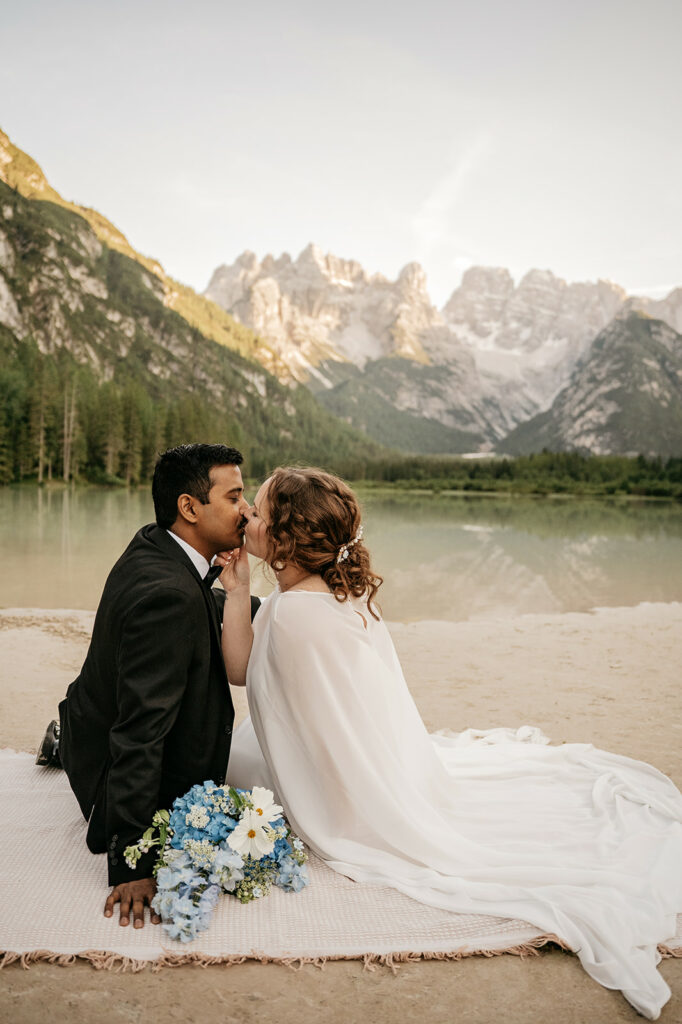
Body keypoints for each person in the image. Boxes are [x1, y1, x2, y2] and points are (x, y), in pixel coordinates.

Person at [219, 466, 682, 1022]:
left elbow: (243, 674)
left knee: (233, 768)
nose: (248, 514)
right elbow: (273, 684)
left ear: (287, 539)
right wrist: (243, 590)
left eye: (260, 511)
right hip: (374, 765)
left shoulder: (294, 612)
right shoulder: (331, 594)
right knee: (236, 762)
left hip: (338, 790)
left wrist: (240, 594)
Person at [38, 443, 256, 929]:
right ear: (189, 507)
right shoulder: (167, 597)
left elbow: (203, 602)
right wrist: (132, 863)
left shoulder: (156, 546)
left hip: (89, 716)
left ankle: (64, 741)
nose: (248, 511)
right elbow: (140, 730)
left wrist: (279, 608)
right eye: (235, 497)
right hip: (108, 779)